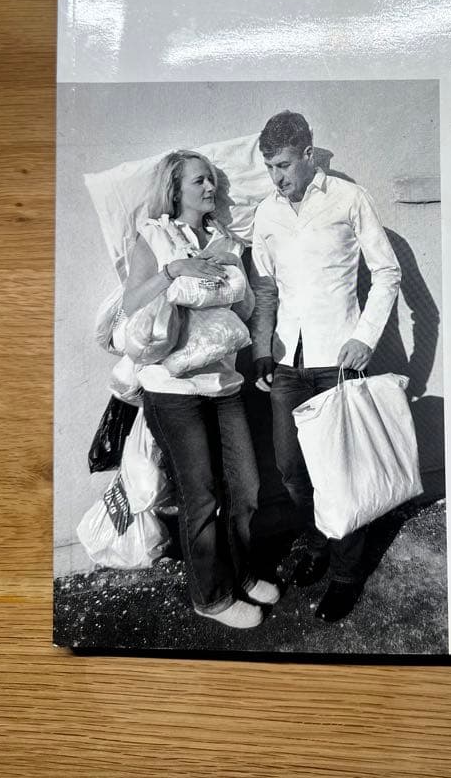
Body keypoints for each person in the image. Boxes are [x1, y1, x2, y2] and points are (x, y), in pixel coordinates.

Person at [250, 112, 401, 623]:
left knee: (341, 474)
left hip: (337, 360)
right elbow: (266, 288)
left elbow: (387, 273)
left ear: (308, 155)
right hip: (287, 365)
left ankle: (346, 573)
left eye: (284, 165)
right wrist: (262, 349)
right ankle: (318, 542)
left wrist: (365, 337)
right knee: (293, 471)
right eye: (270, 167)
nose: (277, 177)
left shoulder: (349, 199)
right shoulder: (266, 214)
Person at [123, 150, 279, 631]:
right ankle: (211, 597)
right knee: (202, 495)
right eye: (199, 181)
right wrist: (174, 271)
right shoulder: (153, 236)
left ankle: (242, 573)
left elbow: (244, 309)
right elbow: (131, 302)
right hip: (172, 388)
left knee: (246, 487)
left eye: (212, 179)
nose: (210, 188)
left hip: (223, 382)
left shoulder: (226, 239)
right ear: (175, 190)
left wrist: (231, 266)